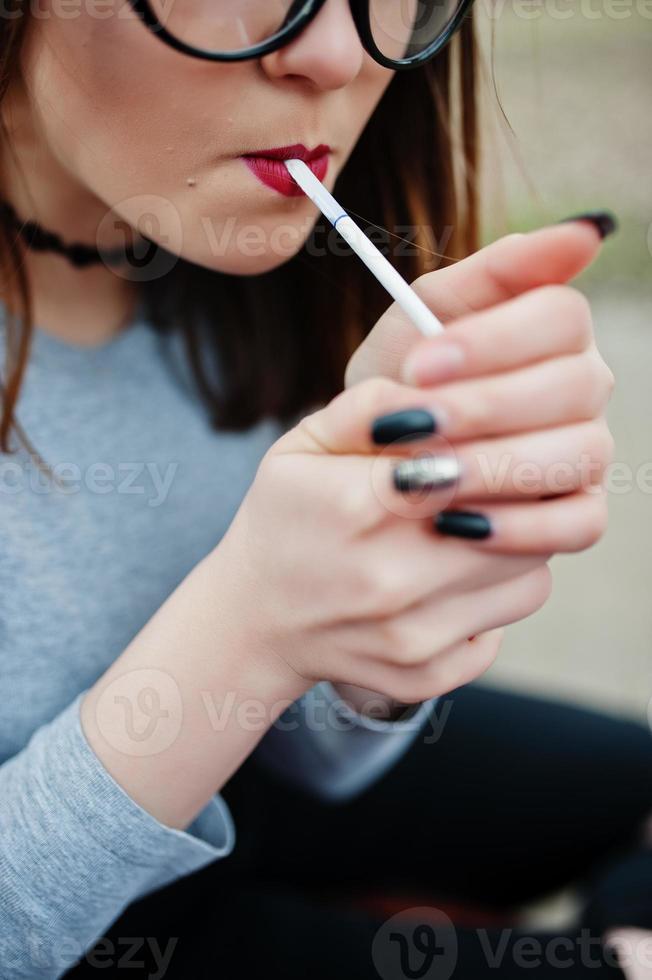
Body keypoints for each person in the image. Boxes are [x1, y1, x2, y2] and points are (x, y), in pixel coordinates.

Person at [0, 1, 649, 977]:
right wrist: (248, 626)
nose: (335, 55)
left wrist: (369, 631)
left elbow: (310, 765)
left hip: (233, 809)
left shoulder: (243, 275)